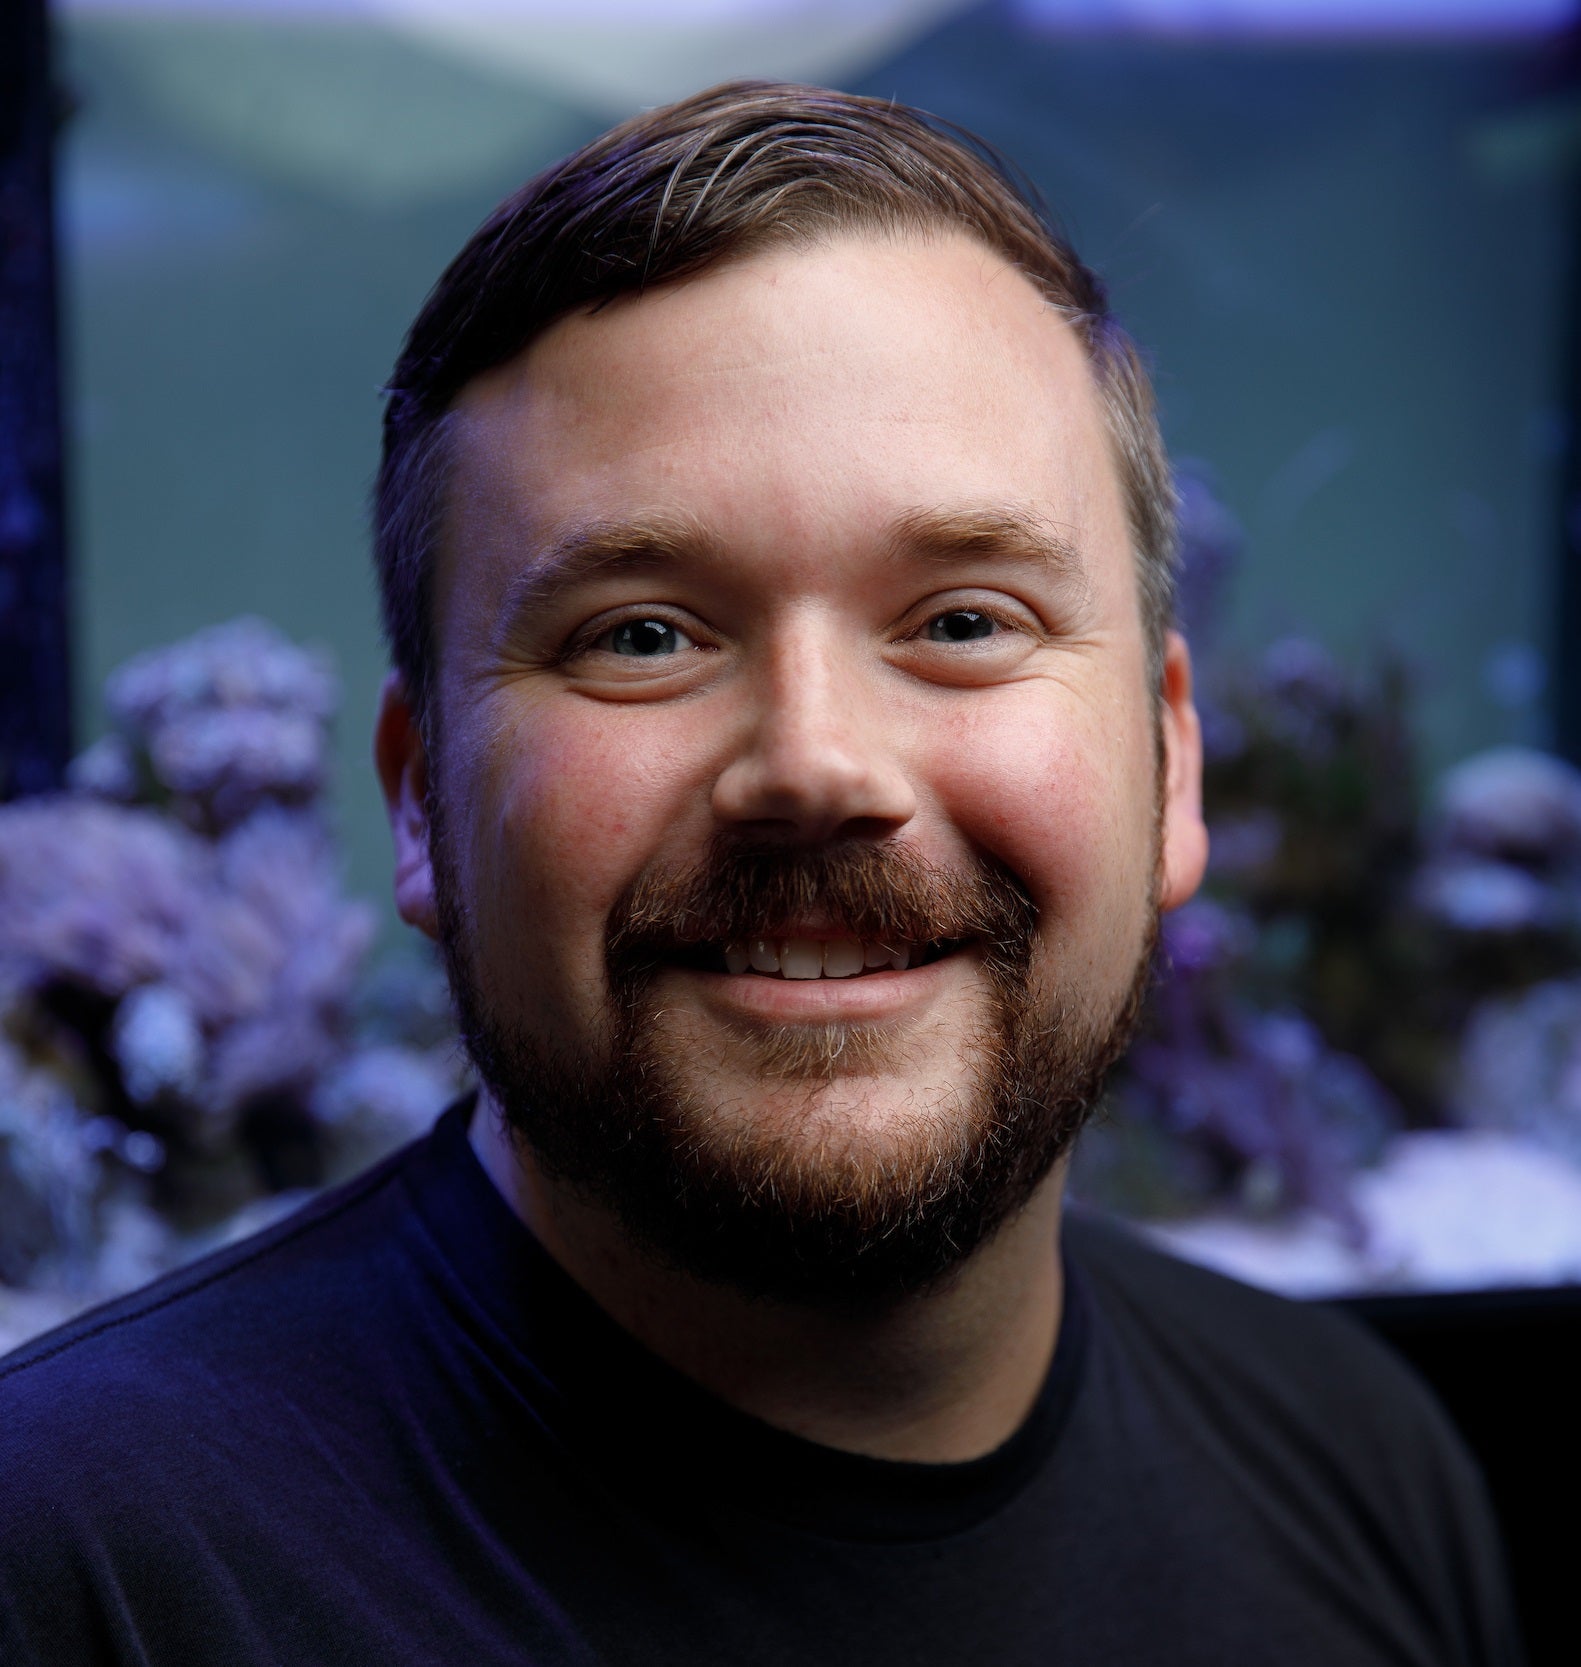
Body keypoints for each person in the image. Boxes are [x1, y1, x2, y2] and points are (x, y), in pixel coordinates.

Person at [0, 81, 1523, 1666]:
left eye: (961, 621)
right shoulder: (71, 1575)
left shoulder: (1358, 1472)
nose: (813, 765)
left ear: (1172, 764)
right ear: (414, 805)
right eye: (641, 636)